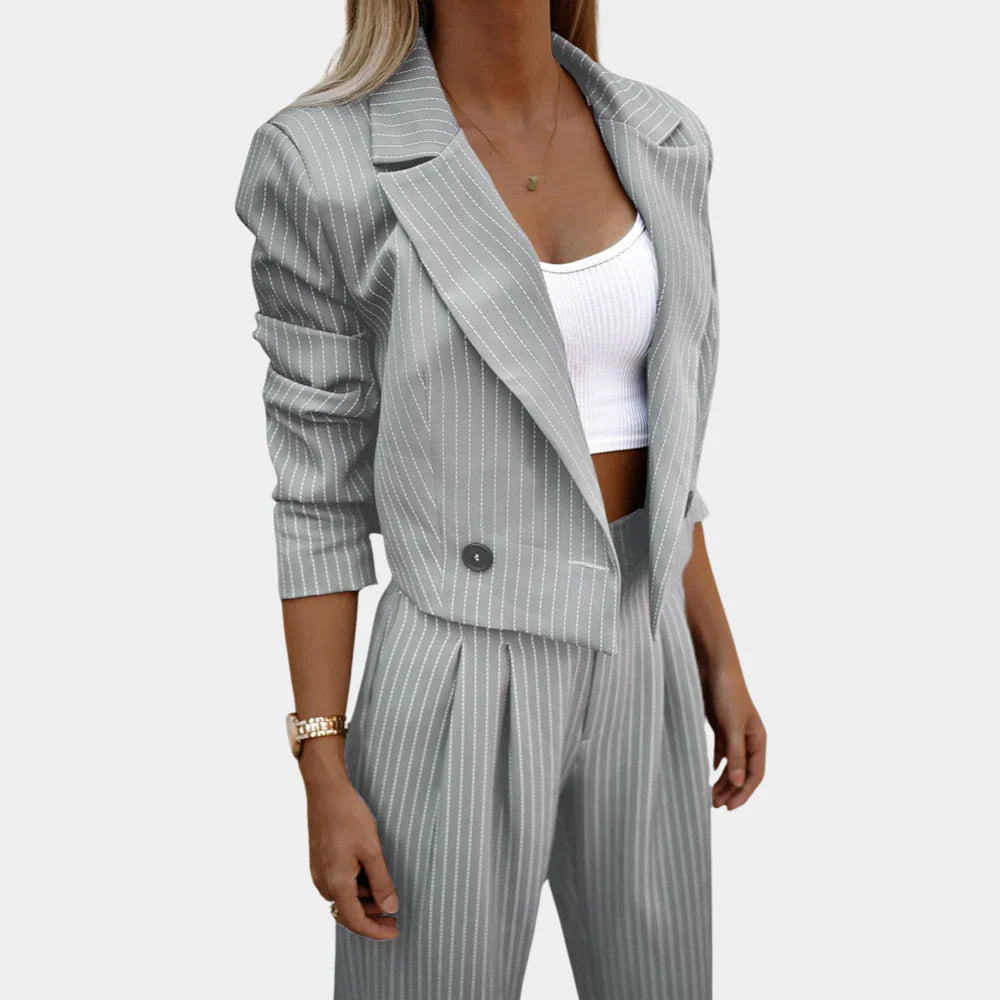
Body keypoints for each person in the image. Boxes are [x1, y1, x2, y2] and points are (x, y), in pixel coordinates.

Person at [235, 1, 766, 996]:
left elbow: (663, 445)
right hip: (457, 654)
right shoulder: (322, 163)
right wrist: (321, 759)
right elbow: (316, 492)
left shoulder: (663, 137)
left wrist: (718, 657)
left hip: (643, 637)